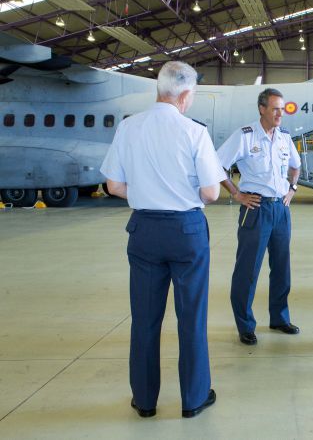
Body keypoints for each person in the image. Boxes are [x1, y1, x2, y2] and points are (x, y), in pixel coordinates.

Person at [100, 61, 222, 418]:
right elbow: (212, 192)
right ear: (184, 96)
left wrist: (148, 192)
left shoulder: (129, 127)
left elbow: (114, 186)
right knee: (191, 318)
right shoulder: (194, 132)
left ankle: (145, 400)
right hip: (186, 231)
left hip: (144, 232)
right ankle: (194, 399)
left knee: (145, 319)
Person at [217, 88, 302, 345]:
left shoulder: (284, 137)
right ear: (262, 109)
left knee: (281, 268)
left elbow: (295, 166)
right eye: (275, 108)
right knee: (248, 270)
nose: (280, 113)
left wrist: (292, 189)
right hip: (255, 209)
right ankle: (245, 324)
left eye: (282, 108)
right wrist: (236, 194)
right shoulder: (245, 136)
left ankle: (279, 318)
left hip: (280, 210)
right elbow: (217, 164)